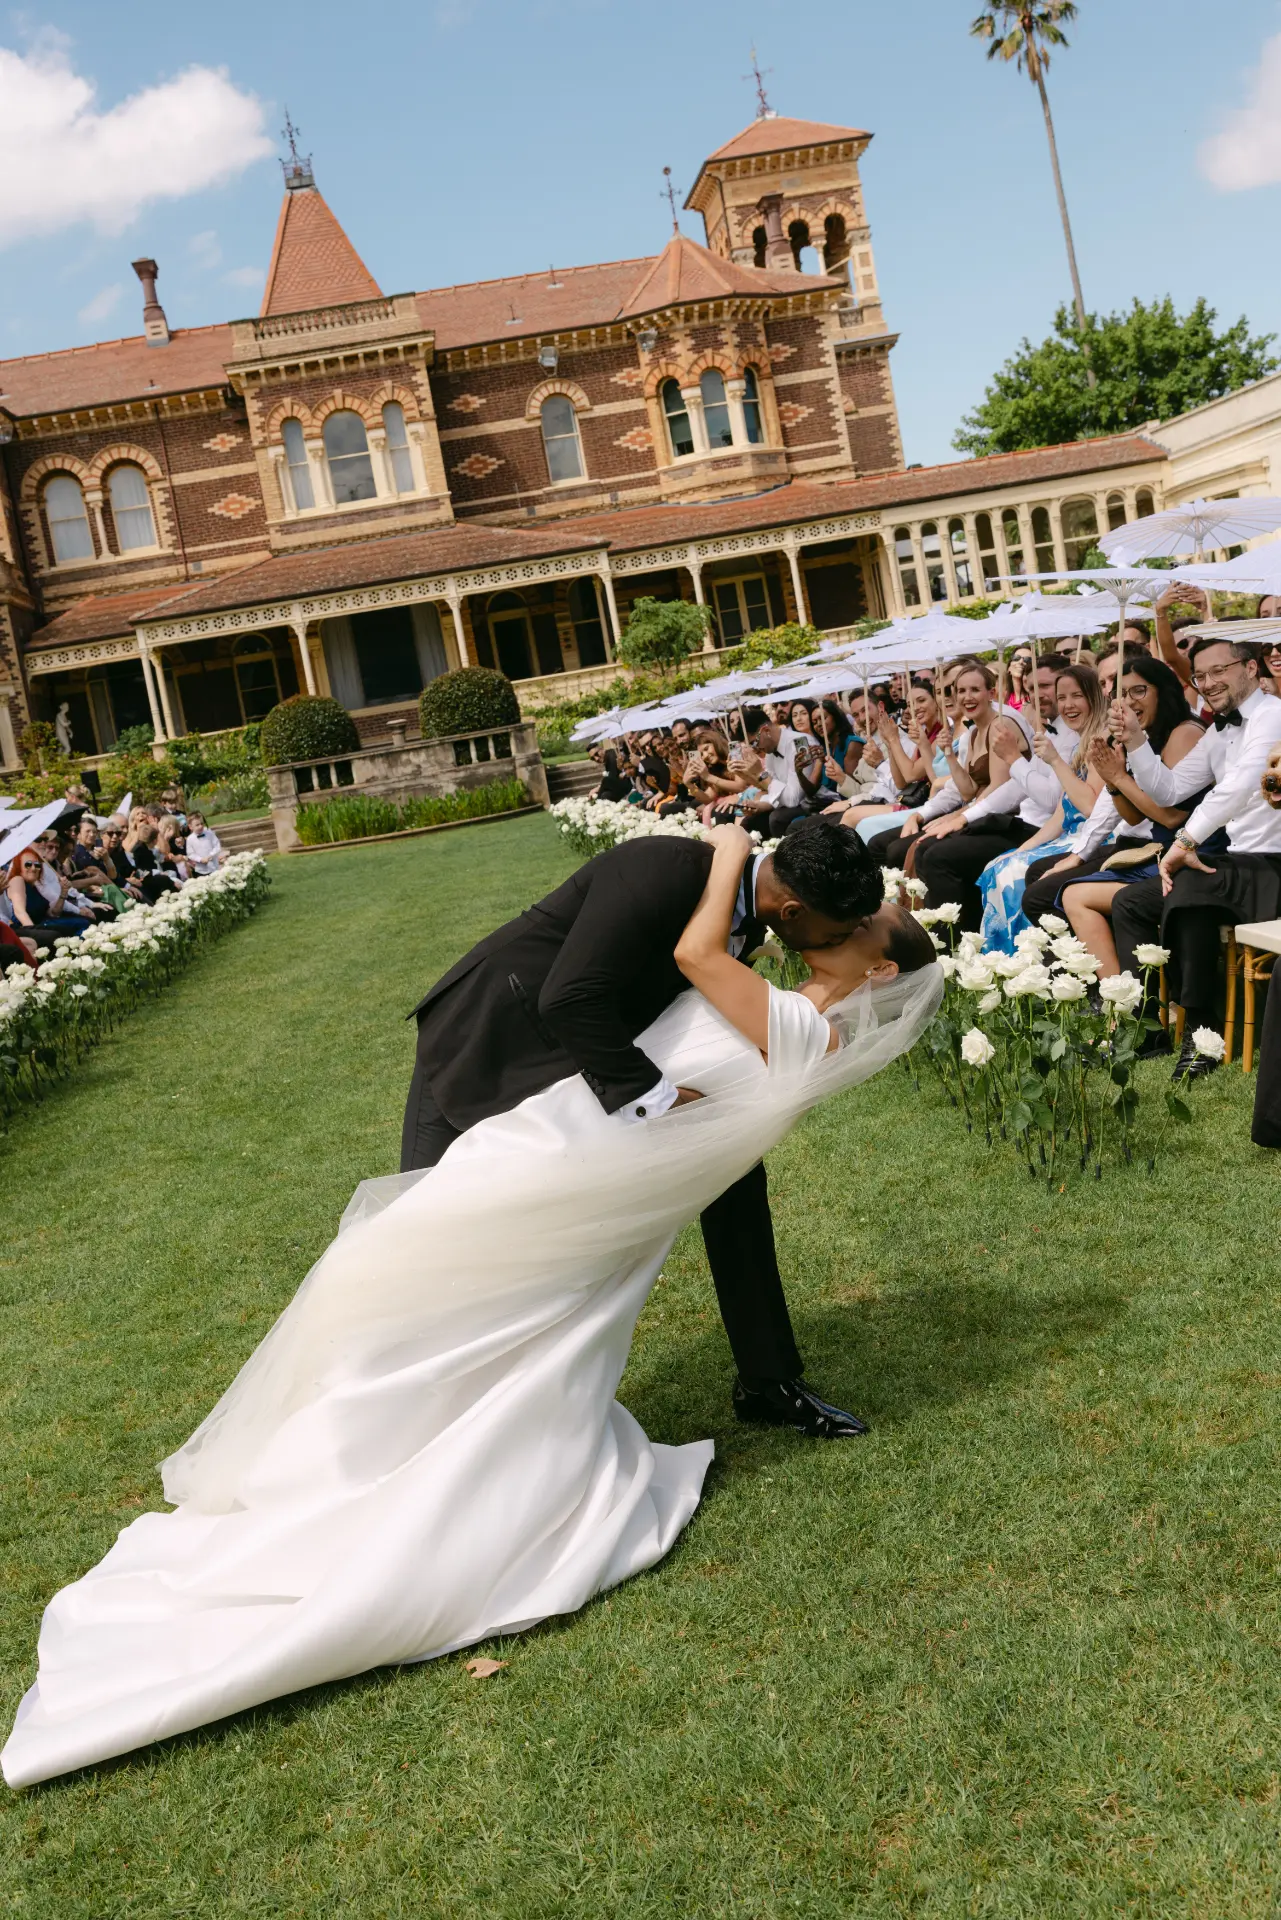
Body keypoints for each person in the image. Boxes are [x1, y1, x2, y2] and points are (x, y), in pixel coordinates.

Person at [1, 829, 941, 1788]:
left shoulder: (757, 947)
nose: (835, 936)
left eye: (857, 932)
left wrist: (728, 851)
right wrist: (656, 1098)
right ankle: (362, 1438)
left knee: (573, 1257)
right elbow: (577, 992)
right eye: (840, 924)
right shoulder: (676, 876)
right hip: (498, 1052)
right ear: (793, 909)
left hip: (616, 1107)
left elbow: (693, 967)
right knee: (425, 1260)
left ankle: (761, 1377)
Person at [1112, 635, 1281, 1077]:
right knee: (1130, 903)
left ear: (1251, 668)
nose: (1207, 682)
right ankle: (1147, 1026)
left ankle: (1202, 1035)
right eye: (1200, 675)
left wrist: (1185, 842)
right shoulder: (1218, 731)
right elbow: (1168, 789)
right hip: (1238, 862)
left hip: (1273, 864)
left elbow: (1239, 786)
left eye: (1218, 670)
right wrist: (1135, 740)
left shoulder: (1273, 715)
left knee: (1189, 886)